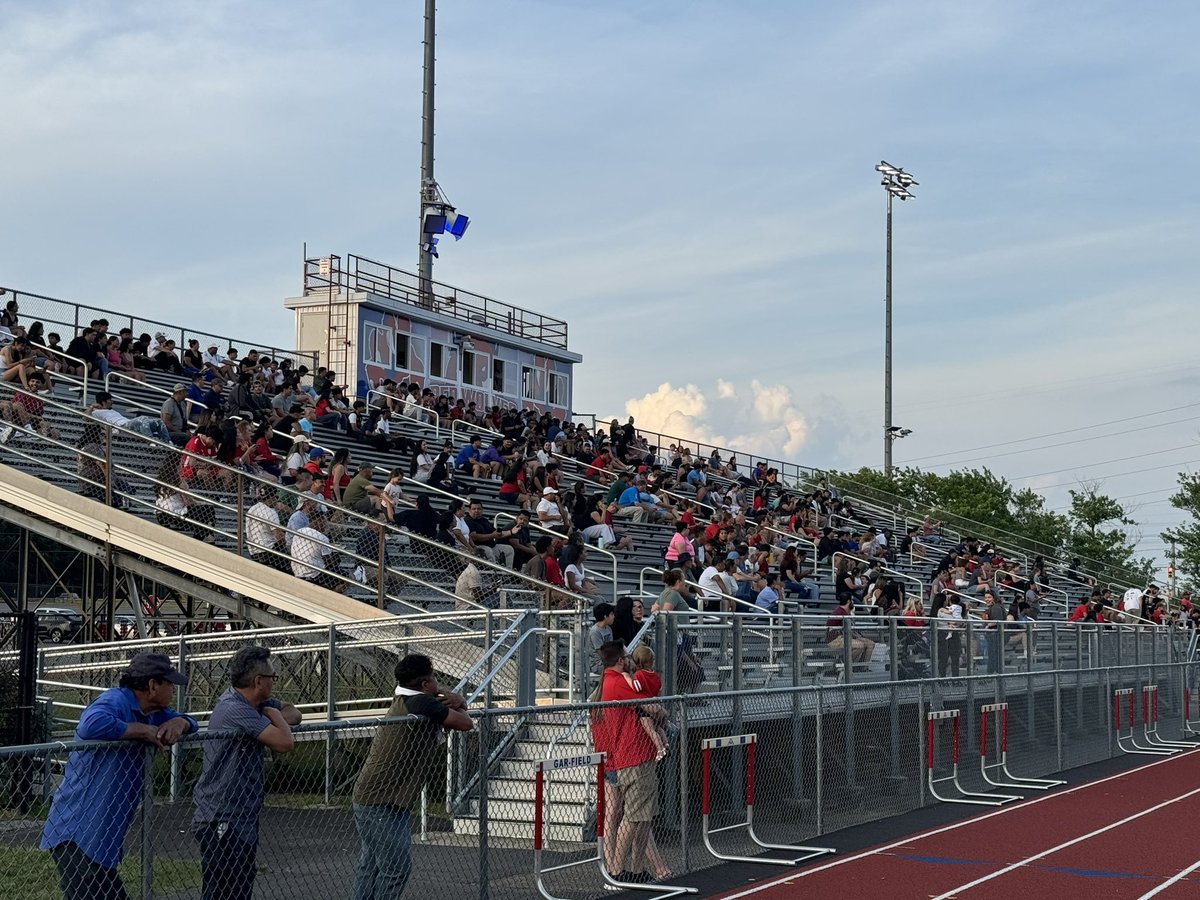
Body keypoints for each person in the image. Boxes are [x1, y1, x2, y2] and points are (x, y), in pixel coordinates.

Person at [40, 653, 197, 899]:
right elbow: (90, 725)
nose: (173, 689)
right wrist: (140, 730)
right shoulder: (115, 701)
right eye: (169, 683)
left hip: (103, 834)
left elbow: (191, 721)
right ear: (152, 686)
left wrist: (180, 723)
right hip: (78, 832)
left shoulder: (154, 710)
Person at [352, 654, 472, 898]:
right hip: (381, 801)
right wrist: (461, 701)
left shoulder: (408, 698)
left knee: (372, 864)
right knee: (396, 868)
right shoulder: (421, 703)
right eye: (434, 677)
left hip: (380, 797)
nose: (438, 682)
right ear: (426, 684)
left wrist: (453, 703)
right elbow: (465, 724)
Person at [193, 646, 300, 900]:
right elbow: (285, 742)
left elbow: (294, 712)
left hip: (243, 815)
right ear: (258, 681)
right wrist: (273, 716)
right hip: (221, 815)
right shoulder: (235, 707)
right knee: (223, 890)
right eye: (273, 678)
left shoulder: (256, 704)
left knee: (241, 886)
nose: (275, 683)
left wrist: (272, 715)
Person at [591, 641, 666, 883]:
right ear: (621, 660)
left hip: (618, 756)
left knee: (633, 814)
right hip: (627, 755)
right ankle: (617, 870)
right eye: (626, 656)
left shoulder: (606, 686)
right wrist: (660, 713)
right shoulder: (619, 681)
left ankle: (631, 868)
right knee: (632, 816)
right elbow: (651, 707)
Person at [588, 602, 616, 668]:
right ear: (605, 616)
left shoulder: (608, 628)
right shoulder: (595, 631)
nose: (614, 617)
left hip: (608, 659)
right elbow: (601, 652)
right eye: (612, 614)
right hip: (597, 663)